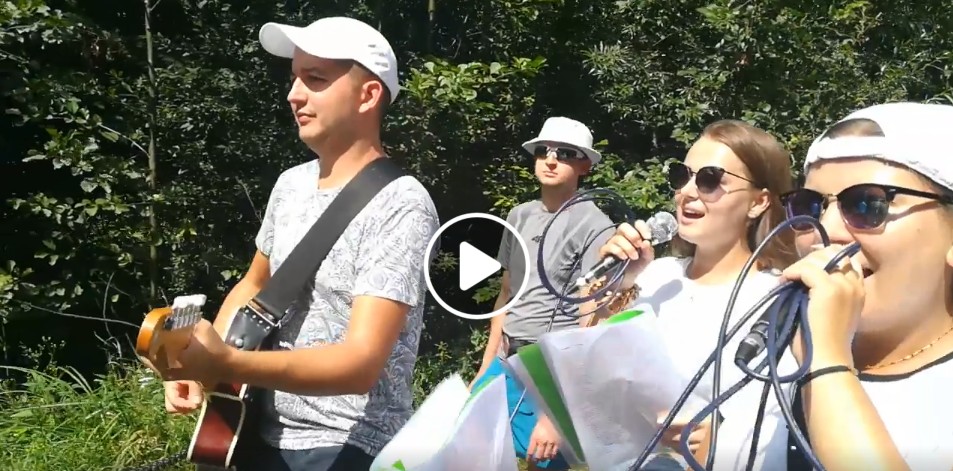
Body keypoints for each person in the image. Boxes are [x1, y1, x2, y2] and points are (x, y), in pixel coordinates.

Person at [147, 16, 440, 471]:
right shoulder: (290, 185)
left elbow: (360, 365)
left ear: (368, 95)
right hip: (252, 429)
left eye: (315, 79)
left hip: (346, 445)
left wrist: (226, 363)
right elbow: (254, 285)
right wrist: (201, 366)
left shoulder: (401, 203)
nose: (294, 94)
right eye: (294, 78)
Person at [709, 102, 953, 471]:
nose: (826, 231)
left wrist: (825, 363)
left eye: (868, 204)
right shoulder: (772, 355)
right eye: (809, 205)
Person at [592, 119, 799, 468]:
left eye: (709, 179)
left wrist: (718, 437)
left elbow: (771, 426)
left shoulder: (779, 299)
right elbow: (589, 372)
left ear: (758, 202)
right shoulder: (656, 275)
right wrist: (615, 284)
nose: (686, 191)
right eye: (682, 175)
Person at [469, 116, 616, 470]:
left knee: (544, 461)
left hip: (552, 367)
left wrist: (556, 412)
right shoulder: (519, 215)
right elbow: (507, 292)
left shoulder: (596, 225)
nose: (551, 160)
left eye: (564, 153)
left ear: (585, 166)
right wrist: (486, 364)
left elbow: (592, 320)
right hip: (506, 359)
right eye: (543, 151)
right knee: (473, 450)